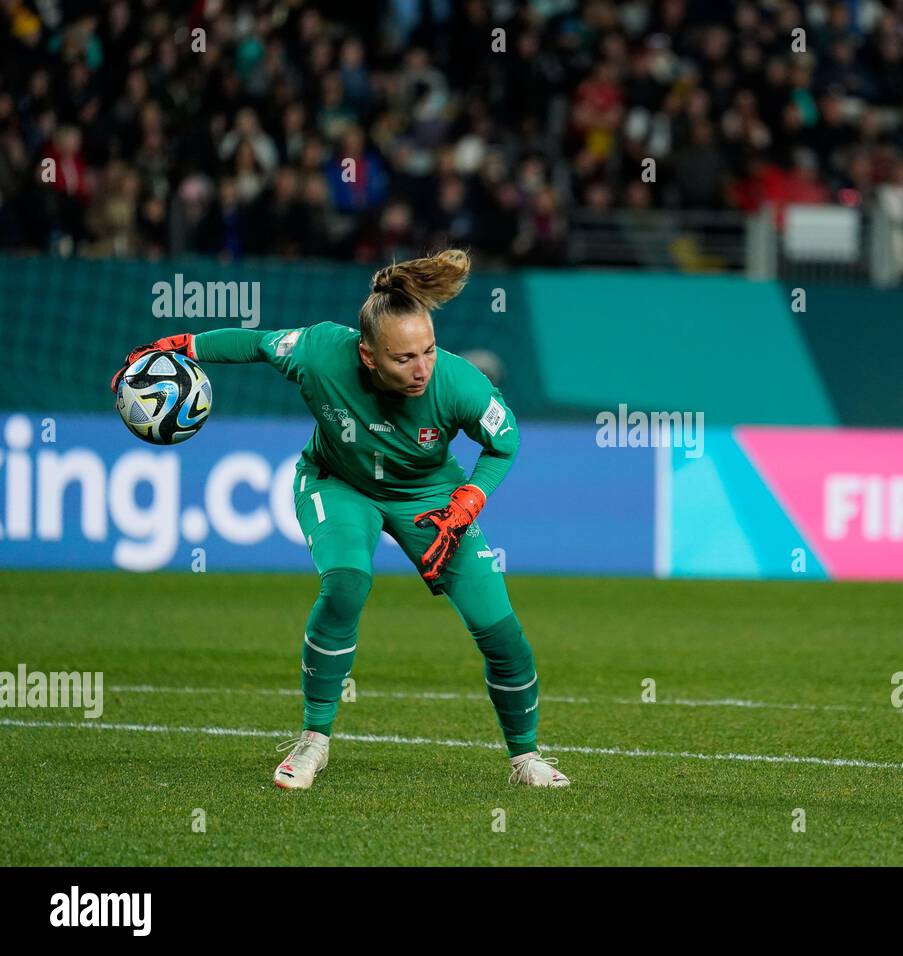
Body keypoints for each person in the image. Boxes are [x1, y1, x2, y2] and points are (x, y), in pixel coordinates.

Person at [108, 250, 569, 790]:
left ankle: (526, 759)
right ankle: (313, 741)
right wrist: (185, 346)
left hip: (433, 497)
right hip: (337, 481)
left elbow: (505, 441)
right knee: (347, 581)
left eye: (429, 351)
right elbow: (256, 342)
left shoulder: (459, 383)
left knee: (504, 635)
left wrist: (471, 496)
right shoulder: (320, 351)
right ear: (368, 356)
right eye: (403, 359)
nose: (421, 369)